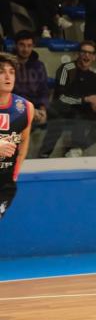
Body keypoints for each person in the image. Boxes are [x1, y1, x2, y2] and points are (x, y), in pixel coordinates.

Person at [38, 41, 96, 158]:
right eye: (84, 52)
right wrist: (84, 100)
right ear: (78, 54)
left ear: (94, 57)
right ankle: (44, 155)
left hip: (85, 110)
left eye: (90, 53)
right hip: (64, 108)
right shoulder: (67, 68)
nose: (87, 56)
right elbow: (61, 97)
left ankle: (76, 148)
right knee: (76, 117)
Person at [0, 54, 33, 220]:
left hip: (4, 184)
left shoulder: (25, 108)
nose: (8, 76)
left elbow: (23, 143)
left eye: (11, 72)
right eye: (2, 72)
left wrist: (14, 174)